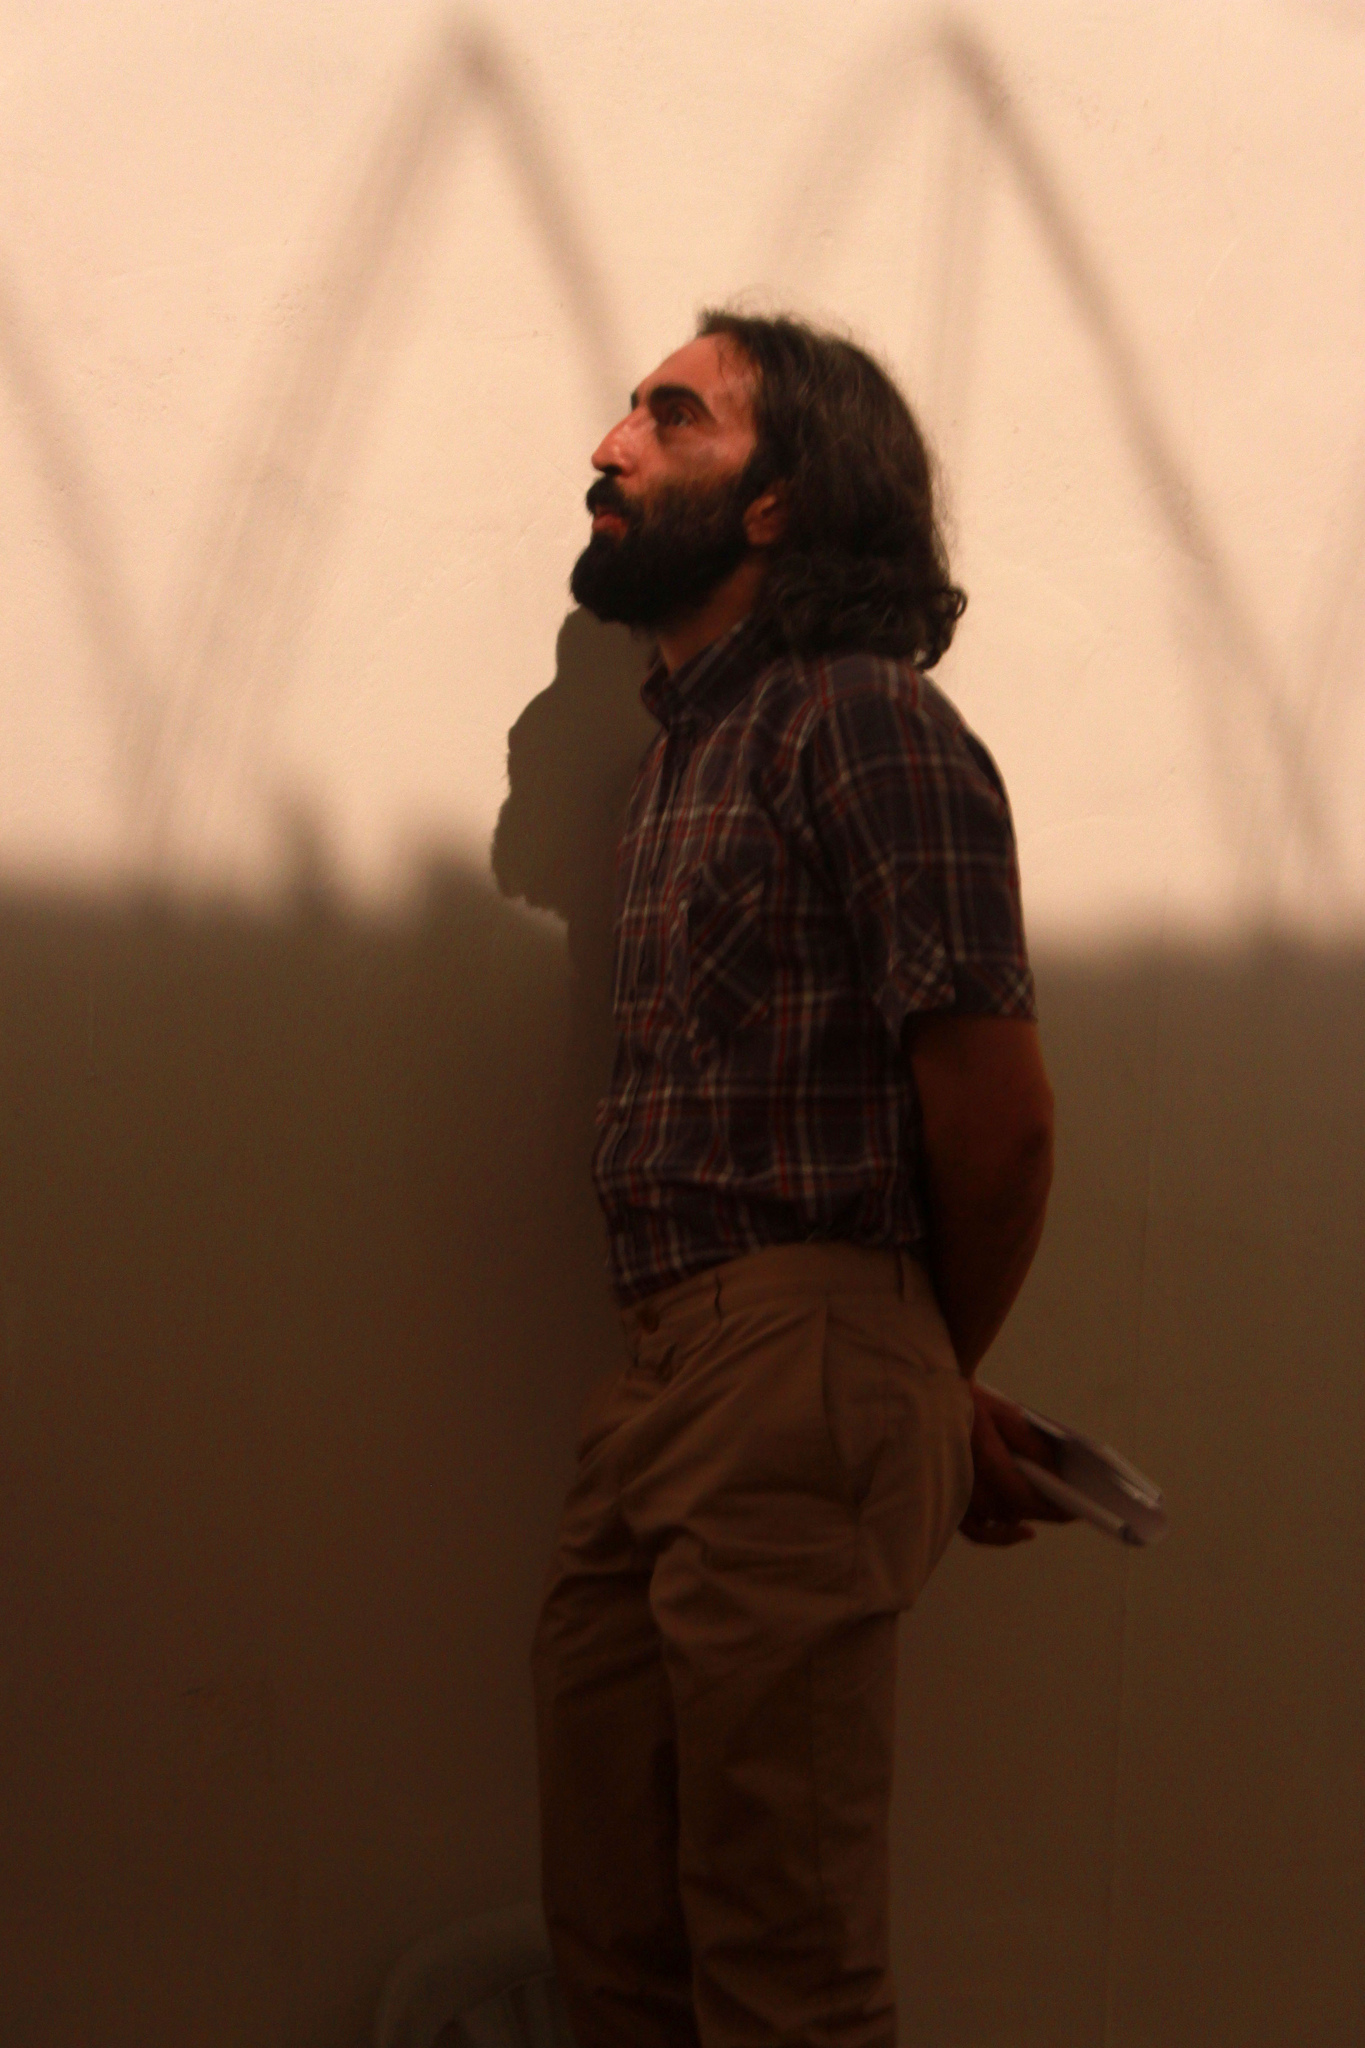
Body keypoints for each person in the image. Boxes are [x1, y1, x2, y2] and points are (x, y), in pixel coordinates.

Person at [531, 310, 1066, 2048]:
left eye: (669, 417)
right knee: (614, 1944)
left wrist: (909, 1363)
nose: (609, 444)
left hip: (787, 1357)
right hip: (670, 1370)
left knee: (782, 1966)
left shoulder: (861, 719)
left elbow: (998, 1115)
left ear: (776, 502)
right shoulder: (687, 754)